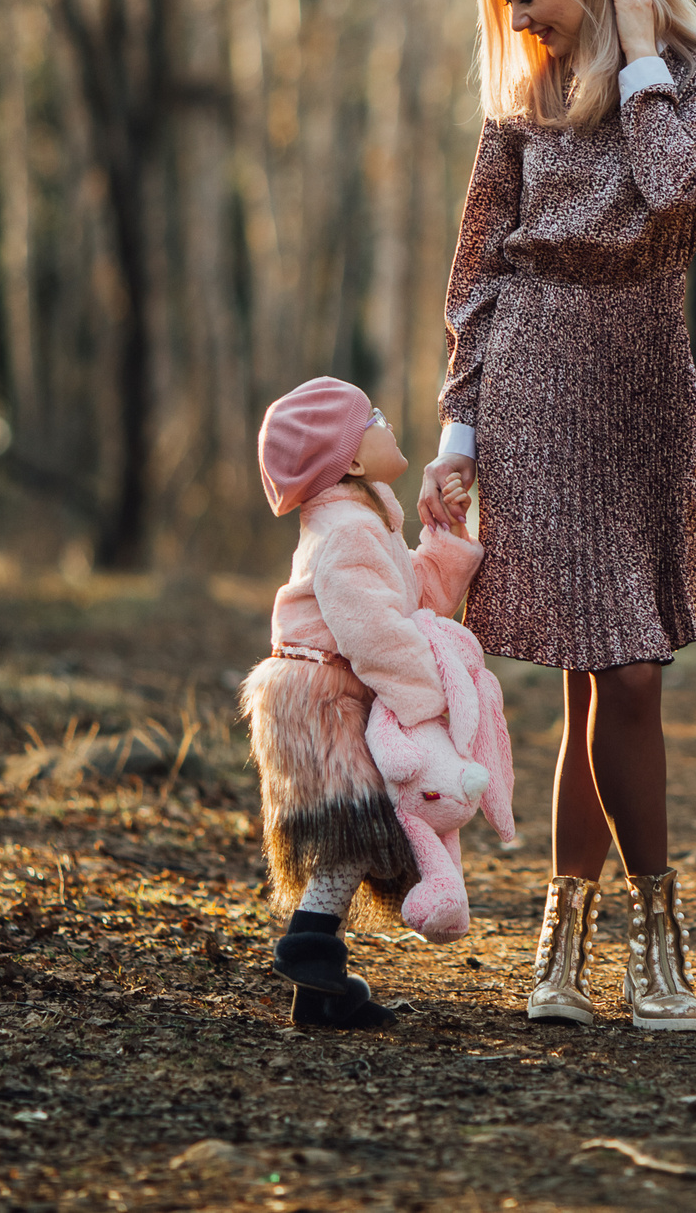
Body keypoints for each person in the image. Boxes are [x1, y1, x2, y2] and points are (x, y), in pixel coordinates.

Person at [418, 0, 696, 1032]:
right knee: (599, 672)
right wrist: (458, 431)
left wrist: (644, 56)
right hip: (534, 383)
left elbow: (674, 196)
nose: (517, 21)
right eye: (502, 2)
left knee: (627, 671)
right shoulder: (521, 96)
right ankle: (571, 942)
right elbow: (478, 272)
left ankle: (640, 941)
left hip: (644, 385)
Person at [243, 376, 483, 1029]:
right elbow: (374, 632)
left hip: (334, 689)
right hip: (322, 699)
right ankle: (309, 941)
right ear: (350, 459)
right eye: (371, 416)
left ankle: (319, 990)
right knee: (360, 825)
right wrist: (425, 701)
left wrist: (446, 532)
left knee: (359, 829)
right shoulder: (347, 528)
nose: (387, 419)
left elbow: (407, 597)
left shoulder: (363, 516)